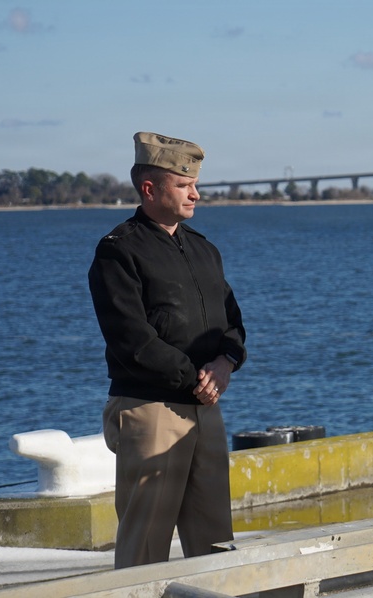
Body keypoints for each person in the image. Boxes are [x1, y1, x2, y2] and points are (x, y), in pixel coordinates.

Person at [88, 132, 247, 569]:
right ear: (150, 188)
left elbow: (232, 321)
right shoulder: (117, 251)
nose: (196, 192)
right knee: (144, 546)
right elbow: (130, 339)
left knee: (217, 544)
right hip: (149, 409)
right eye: (184, 184)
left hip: (204, 409)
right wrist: (197, 378)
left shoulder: (203, 248)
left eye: (195, 183)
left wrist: (226, 361)